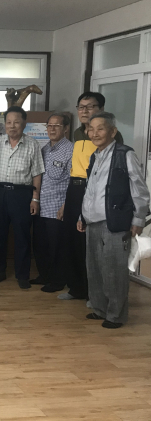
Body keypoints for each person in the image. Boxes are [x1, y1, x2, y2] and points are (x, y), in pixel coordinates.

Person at [79, 112, 149, 328]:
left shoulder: (124, 154)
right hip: (92, 221)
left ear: (113, 131)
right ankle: (99, 309)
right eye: (91, 129)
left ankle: (116, 315)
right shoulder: (95, 155)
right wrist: (81, 215)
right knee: (95, 269)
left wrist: (138, 218)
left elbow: (139, 189)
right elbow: (90, 190)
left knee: (114, 270)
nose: (95, 133)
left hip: (115, 221)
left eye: (100, 128)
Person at [55, 92, 124, 300]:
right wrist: (66, 203)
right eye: (81, 107)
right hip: (74, 189)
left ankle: (95, 294)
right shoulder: (77, 132)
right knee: (71, 241)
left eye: (90, 107)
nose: (84, 111)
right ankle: (77, 288)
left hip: (93, 189)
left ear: (101, 109)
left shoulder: (109, 135)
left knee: (89, 244)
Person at [0, 105, 45, 289]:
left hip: (22, 194)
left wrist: (35, 198)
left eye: (16, 122)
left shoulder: (33, 144)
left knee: (22, 235)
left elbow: (37, 173)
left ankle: (22, 274)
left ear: (24, 123)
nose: (12, 126)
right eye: (8, 122)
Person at [32, 113, 73, 291]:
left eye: (56, 126)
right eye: (49, 126)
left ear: (65, 129)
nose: (52, 129)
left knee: (57, 246)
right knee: (40, 244)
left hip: (58, 207)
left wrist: (66, 206)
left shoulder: (71, 150)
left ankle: (58, 280)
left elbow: (74, 181)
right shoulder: (44, 149)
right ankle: (45, 275)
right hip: (41, 206)